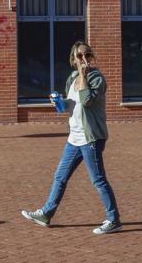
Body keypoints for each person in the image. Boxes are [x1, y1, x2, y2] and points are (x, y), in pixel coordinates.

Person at [20, 41, 122, 235]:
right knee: (60, 176)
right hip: (74, 138)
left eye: (88, 55)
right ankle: (46, 213)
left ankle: (114, 219)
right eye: (80, 56)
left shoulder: (97, 78)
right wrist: (59, 102)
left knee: (98, 180)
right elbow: (71, 105)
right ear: (73, 60)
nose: (84, 59)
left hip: (91, 138)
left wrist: (84, 76)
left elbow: (87, 100)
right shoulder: (72, 77)